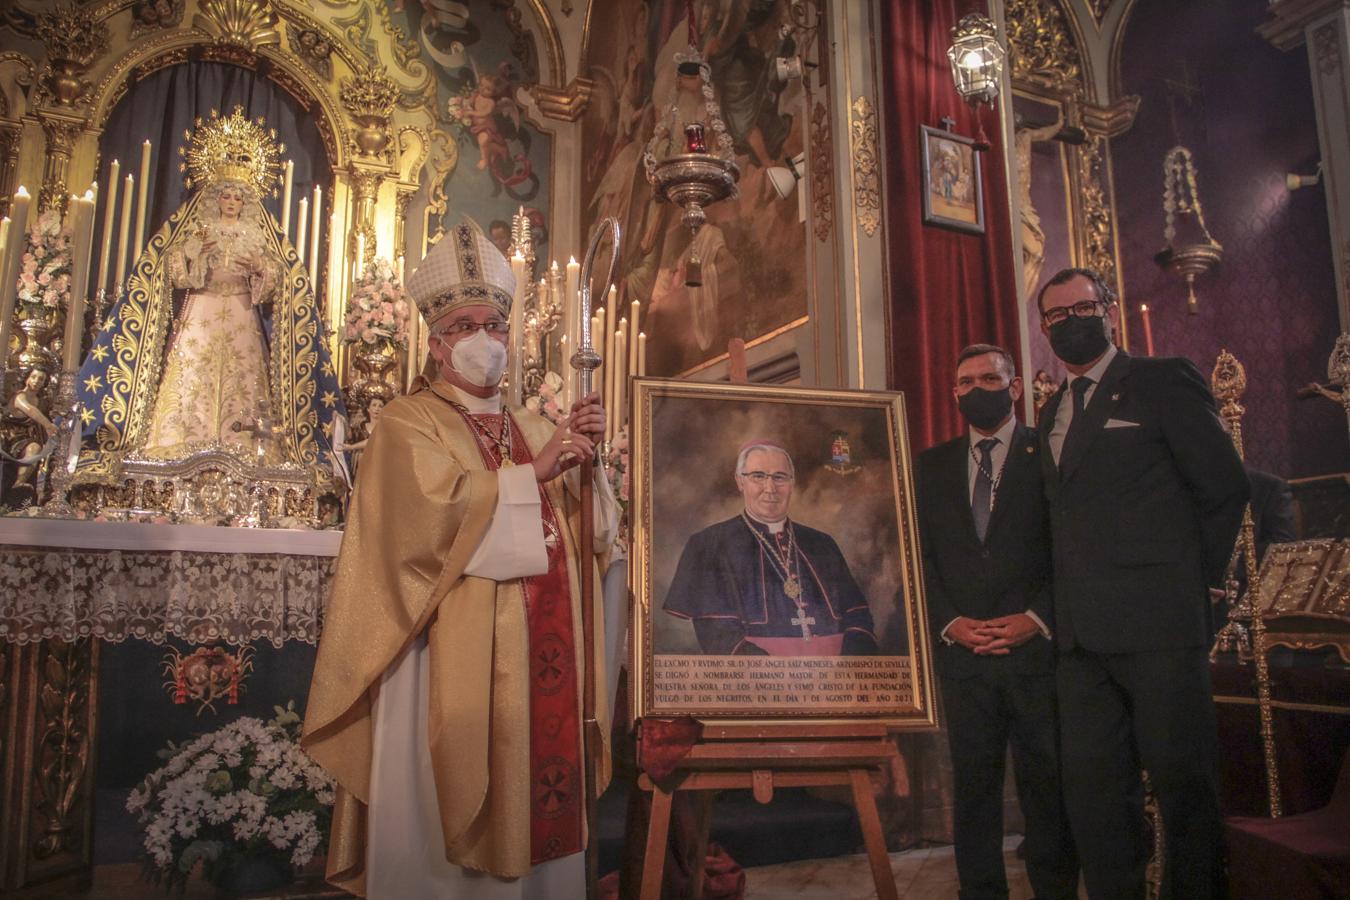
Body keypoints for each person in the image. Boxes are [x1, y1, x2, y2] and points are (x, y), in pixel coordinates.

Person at [303, 218, 619, 899]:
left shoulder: (537, 424)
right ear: (439, 343)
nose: (488, 339)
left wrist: (591, 473)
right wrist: (535, 473)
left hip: (543, 662)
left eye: (498, 325)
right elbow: (424, 525)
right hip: (439, 657)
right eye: (468, 325)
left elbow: (595, 537)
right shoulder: (405, 421)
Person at [1036, 267, 1248, 899]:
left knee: (1185, 792)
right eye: (1055, 316)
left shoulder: (1162, 380)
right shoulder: (1049, 410)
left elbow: (1224, 487)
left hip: (1160, 628)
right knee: (1098, 802)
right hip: (1080, 643)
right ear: (1045, 329)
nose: (1070, 322)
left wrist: (1202, 586)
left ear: (1108, 310)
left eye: (1082, 308)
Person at [916, 344, 1078, 900]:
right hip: (965, 658)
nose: (976, 388)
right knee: (975, 788)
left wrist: (1037, 618)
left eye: (989, 378)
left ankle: (1055, 888)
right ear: (954, 394)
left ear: (1013, 389)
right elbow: (920, 561)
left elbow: (1072, 551)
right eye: (965, 381)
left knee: (1047, 785)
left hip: (1037, 656)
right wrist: (950, 622)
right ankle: (980, 891)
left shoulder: (1049, 455)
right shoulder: (930, 466)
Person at [662, 440, 879, 656]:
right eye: (758, 476)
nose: (770, 488)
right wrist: (777, 677)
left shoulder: (822, 544)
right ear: (740, 482)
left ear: (792, 483)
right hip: (758, 682)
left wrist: (850, 665)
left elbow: (857, 614)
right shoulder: (709, 544)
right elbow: (719, 635)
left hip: (836, 679)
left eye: (779, 477)